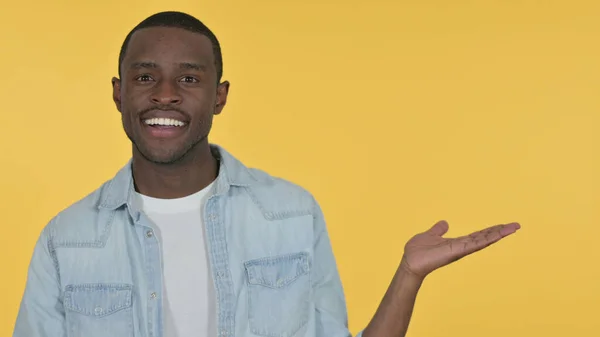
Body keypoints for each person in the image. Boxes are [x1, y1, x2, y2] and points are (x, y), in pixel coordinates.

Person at [13, 11, 521, 337]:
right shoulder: (67, 240)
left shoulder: (291, 213)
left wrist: (407, 278)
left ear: (220, 96)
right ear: (119, 93)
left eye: (188, 78)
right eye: (145, 77)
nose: (164, 94)